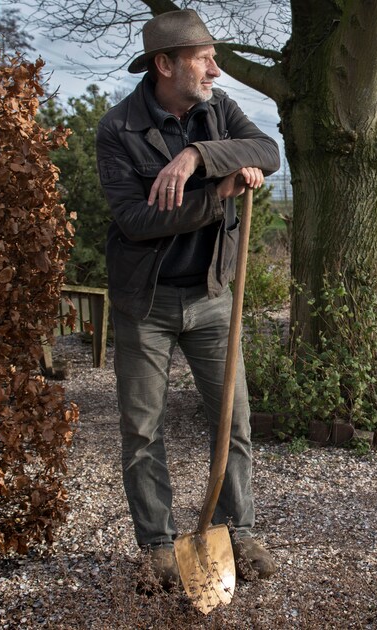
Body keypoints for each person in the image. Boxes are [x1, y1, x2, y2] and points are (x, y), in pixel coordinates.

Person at [95, 8, 281, 590]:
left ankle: (239, 533)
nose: (216, 72)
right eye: (204, 60)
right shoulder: (117, 129)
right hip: (143, 304)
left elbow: (267, 150)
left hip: (211, 297)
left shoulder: (215, 111)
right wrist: (218, 193)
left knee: (233, 420)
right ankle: (157, 545)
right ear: (165, 64)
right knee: (142, 429)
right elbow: (135, 219)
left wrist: (198, 157)